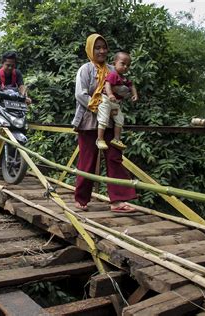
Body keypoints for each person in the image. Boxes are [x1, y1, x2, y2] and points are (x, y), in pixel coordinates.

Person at [72, 33, 137, 212]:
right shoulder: (85, 69)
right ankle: (81, 199)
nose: (101, 51)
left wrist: (124, 93)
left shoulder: (112, 69)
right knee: (87, 159)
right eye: (97, 47)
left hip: (108, 121)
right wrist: (100, 105)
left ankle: (118, 201)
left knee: (114, 157)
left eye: (104, 47)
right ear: (90, 49)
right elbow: (80, 94)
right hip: (88, 121)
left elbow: (121, 88)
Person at [95, 51, 138, 150]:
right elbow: (107, 84)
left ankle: (116, 139)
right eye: (123, 64)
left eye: (128, 65)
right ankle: (100, 139)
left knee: (120, 120)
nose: (125, 67)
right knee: (103, 118)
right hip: (106, 100)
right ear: (114, 64)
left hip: (116, 103)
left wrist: (135, 95)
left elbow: (132, 86)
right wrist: (110, 94)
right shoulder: (113, 75)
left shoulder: (125, 79)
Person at [0, 51, 31, 116]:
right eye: (8, 65)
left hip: (15, 104)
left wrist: (25, 98)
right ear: (2, 63)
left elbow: (22, 86)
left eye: (12, 65)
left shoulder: (17, 73)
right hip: (0, 104)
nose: (10, 68)